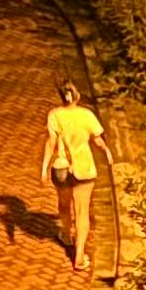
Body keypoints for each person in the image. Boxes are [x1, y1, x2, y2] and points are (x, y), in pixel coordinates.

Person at [40, 82, 109, 272]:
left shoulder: (54, 115)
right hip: (84, 168)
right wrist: (108, 153)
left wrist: (45, 168)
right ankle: (79, 256)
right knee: (82, 212)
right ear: (77, 96)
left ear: (62, 97)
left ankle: (67, 233)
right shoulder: (86, 115)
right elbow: (97, 139)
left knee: (63, 204)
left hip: (61, 168)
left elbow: (50, 142)